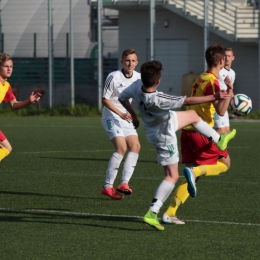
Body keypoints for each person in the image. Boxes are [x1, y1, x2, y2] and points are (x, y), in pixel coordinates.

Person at [118, 60, 236, 231]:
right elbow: (188, 100)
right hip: (164, 135)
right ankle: (152, 212)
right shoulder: (158, 98)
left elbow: (122, 98)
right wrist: (215, 97)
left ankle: (219, 139)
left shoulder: (137, 86)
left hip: (159, 122)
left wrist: (134, 116)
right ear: (158, 82)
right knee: (171, 176)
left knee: (193, 116)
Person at [163, 43, 235, 225]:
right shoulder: (212, 82)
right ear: (220, 61)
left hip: (186, 133)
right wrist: (230, 92)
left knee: (191, 179)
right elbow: (220, 111)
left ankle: (169, 213)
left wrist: (225, 92)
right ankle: (195, 171)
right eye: (224, 59)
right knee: (225, 164)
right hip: (201, 133)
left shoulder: (200, 78)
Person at [101, 49, 141, 200]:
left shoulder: (139, 78)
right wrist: (121, 114)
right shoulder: (113, 76)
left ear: (137, 63)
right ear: (122, 62)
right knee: (121, 148)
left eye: (133, 61)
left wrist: (135, 115)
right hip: (111, 116)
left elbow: (141, 98)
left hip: (126, 117)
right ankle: (107, 186)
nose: (130, 63)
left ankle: (124, 183)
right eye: (127, 60)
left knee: (136, 146)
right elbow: (105, 100)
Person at [0, 52, 41, 163]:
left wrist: (29, 101)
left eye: (11, 66)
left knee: (7, 147)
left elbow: (14, 104)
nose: (9, 69)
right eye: (6, 66)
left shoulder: (6, 86)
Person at [214, 47, 236, 134]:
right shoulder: (218, 70)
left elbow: (230, 90)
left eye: (229, 56)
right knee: (220, 131)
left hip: (225, 106)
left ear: (233, 58)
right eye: (225, 56)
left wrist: (235, 104)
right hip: (217, 105)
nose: (227, 58)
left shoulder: (232, 73)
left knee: (227, 131)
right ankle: (203, 145)